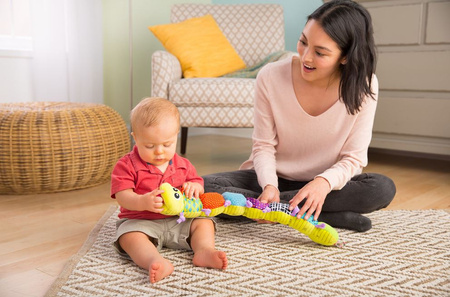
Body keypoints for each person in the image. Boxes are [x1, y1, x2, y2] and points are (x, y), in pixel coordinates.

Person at [203, 0, 396, 232]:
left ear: (345, 57)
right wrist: (270, 187)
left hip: (327, 184)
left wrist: (322, 183)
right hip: (270, 177)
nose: (306, 57)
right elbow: (263, 147)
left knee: (382, 188)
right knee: (205, 186)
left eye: (320, 53)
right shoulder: (270, 76)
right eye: (303, 42)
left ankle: (264, 210)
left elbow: (354, 159)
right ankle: (326, 215)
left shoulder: (364, 85)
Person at [111, 97, 227, 284]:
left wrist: (194, 187)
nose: (159, 152)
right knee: (128, 237)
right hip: (141, 221)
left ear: (176, 136)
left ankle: (204, 250)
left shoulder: (183, 164)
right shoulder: (126, 165)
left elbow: (197, 182)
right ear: (135, 138)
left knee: (204, 222)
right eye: (150, 146)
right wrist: (142, 202)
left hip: (179, 220)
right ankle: (153, 260)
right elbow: (122, 195)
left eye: (167, 144)